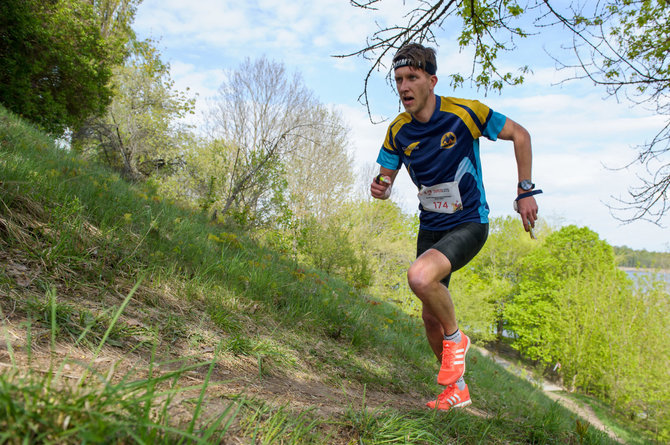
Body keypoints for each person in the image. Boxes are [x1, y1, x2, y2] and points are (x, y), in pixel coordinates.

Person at [370, 43, 540, 411]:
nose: (404, 87)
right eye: (398, 80)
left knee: (419, 278)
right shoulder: (397, 131)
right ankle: (456, 389)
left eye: (412, 78)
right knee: (430, 315)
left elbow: (521, 135)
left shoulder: (466, 113)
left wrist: (525, 190)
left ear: (431, 81)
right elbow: (384, 180)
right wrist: (380, 188)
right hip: (431, 227)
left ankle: (456, 339)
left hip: (469, 222)